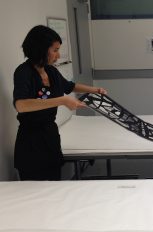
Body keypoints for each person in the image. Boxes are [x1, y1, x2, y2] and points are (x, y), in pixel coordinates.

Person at [13, 25, 107, 180]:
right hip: (31, 143)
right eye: (55, 50)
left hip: (50, 137)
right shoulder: (24, 72)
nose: (58, 55)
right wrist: (62, 100)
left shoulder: (50, 71)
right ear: (41, 49)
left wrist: (95, 90)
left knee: (55, 187)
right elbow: (21, 105)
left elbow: (69, 86)